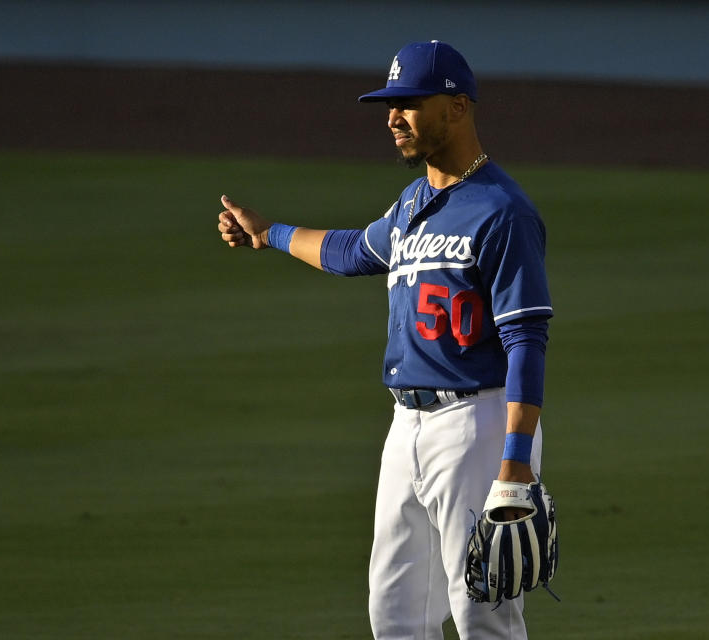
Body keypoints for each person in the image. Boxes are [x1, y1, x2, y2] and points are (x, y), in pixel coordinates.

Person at [217, 40, 553, 640]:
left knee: (484, 615)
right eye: (388, 105)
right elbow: (351, 251)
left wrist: (516, 463)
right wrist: (269, 234)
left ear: (457, 107)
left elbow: (526, 338)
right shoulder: (411, 206)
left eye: (409, 103)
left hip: (476, 425)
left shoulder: (503, 212)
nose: (392, 117)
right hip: (405, 429)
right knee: (394, 616)